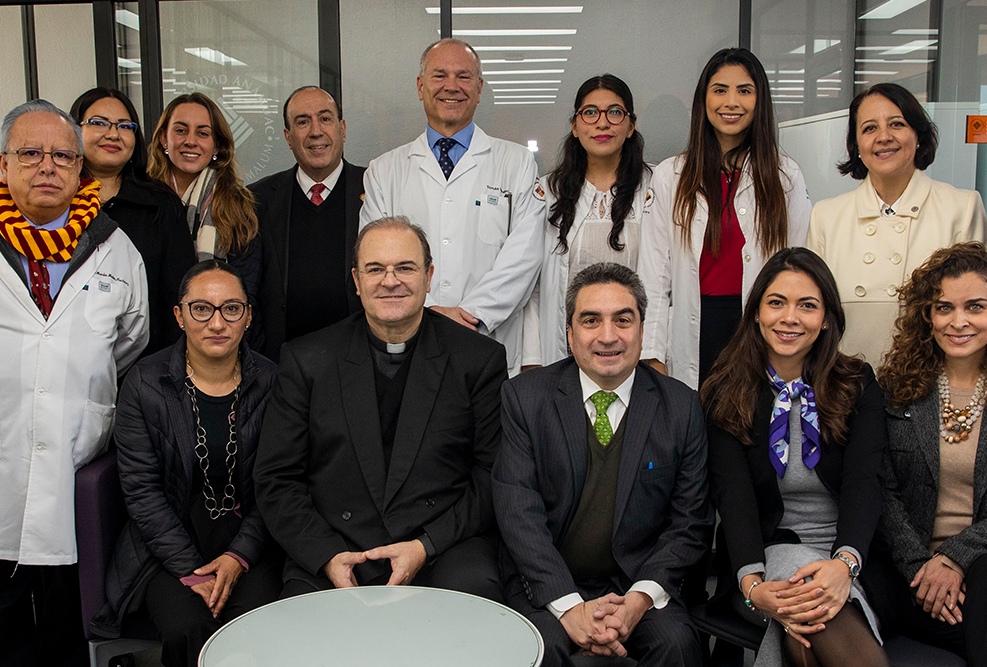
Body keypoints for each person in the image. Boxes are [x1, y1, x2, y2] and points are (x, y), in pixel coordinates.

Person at [255, 217, 507, 602]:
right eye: (375, 269)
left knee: (472, 599)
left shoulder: (478, 359)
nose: (391, 281)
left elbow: (492, 475)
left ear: (429, 276)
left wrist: (425, 546)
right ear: (356, 281)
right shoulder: (306, 360)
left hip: (443, 546)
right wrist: (326, 554)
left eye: (405, 267)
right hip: (336, 547)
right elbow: (277, 478)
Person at [493, 262, 713, 666]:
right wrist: (570, 606)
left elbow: (691, 522)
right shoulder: (525, 399)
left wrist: (637, 602)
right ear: (570, 332)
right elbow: (518, 514)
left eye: (622, 320)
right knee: (539, 649)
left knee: (678, 646)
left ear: (642, 330)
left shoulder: (681, 407)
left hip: (637, 586)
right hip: (549, 585)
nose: (608, 336)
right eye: (591, 320)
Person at [0, 99, 148, 667]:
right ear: (4, 165)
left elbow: (131, 341)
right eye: (30, 153)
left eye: (63, 155)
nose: (48, 167)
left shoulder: (115, 248)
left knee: (70, 631)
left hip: (74, 476)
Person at [701, 247, 888, 667]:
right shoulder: (724, 390)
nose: (790, 318)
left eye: (807, 306)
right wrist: (751, 584)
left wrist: (843, 564)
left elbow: (865, 483)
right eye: (776, 303)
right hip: (768, 552)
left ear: (825, 319)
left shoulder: (856, 383)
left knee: (807, 634)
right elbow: (734, 497)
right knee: (813, 605)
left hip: (854, 554)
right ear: (755, 313)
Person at [92, 261, 281, 667]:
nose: (217, 322)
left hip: (250, 545)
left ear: (248, 316)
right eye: (201, 309)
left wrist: (237, 557)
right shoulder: (145, 383)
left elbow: (278, 484)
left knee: (256, 628)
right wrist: (191, 571)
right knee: (187, 629)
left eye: (231, 309)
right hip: (167, 547)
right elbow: (141, 492)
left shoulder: (273, 382)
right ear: (179, 316)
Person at [360, 38, 545, 376]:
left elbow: (525, 256)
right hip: (409, 338)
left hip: (488, 336)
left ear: (479, 88)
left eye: (464, 77)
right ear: (420, 86)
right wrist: (427, 313)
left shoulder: (516, 162)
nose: (452, 86)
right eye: (439, 75)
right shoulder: (384, 171)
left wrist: (471, 313)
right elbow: (373, 258)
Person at [638, 48, 811, 390]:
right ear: (703, 100)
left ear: (760, 101)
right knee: (694, 430)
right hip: (693, 327)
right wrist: (651, 351)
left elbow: (798, 263)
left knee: (751, 430)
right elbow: (654, 273)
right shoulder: (672, 175)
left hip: (759, 322)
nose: (731, 102)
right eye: (720, 90)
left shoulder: (785, 175)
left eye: (744, 91)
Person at [868, 242, 987, 666]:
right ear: (927, 315)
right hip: (908, 572)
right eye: (944, 308)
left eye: (975, 307)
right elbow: (881, 489)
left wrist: (955, 558)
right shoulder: (896, 389)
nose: (958, 322)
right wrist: (921, 568)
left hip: (984, 571)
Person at [806, 83, 987, 367]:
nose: (884, 137)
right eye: (869, 128)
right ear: (856, 146)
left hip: (932, 380)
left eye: (897, 124)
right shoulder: (827, 216)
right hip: (847, 382)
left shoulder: (961, 208)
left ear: (918, 135)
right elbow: (812, 310)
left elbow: (980, 311)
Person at [523, 74, 653, 370]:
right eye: (590, 112)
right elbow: (532, 288)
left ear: (631, 126)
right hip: (566, 352)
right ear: (575, 126)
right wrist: (533, 359)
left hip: (634, 350)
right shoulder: (547, 193)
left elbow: (664, 283)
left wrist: (656, 351)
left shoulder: (657, 188)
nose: (602, 123)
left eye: (615, 113)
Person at [70, 87, 196, 355]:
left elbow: (178, 295)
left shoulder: (160, 204)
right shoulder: (55, 201)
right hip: (66, 361)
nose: (113, 134)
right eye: (98, 123)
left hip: (146, 368)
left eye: (125, 126)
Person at [252, 86, 366, 361]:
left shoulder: (376, 189)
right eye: (302, 122)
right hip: (281, 365)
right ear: (288, 137)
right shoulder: (256, 200)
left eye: (325, 119)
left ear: (343, 129)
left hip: (361, 361)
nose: (316, 131)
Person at [148, 92, 262, 346]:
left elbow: (247, 293)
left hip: (221, 345)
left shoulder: (239, 207)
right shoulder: (143, 203)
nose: (190, 141)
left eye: (202, 133)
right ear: (164, 140)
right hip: (153, 346)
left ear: (217, 146)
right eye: (180, 130)